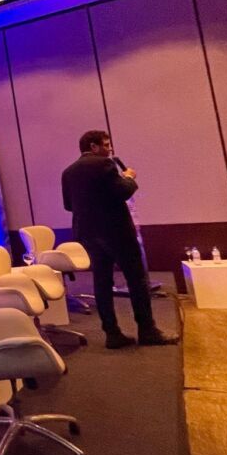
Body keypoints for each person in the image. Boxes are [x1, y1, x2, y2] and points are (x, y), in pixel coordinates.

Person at [61, 130, 178, 349]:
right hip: (115, 230)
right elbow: (123, 191)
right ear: (93, 146)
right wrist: (129, 177)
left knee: (102, 282)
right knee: (137, 279)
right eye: (106, 145)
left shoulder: (68, 172)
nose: (110, 149)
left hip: (87, 233)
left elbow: (68, 205)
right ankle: (147, 330)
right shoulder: (105, 164)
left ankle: (112, 334)